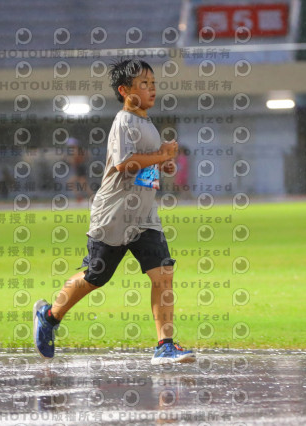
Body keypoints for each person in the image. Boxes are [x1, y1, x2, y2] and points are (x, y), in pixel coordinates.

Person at [34, 59, 195, 365]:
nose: (151, 89)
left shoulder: (147, 124)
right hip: (114, 214)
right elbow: (124, 164)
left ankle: (165, 345)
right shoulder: (124, 121)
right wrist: (161, 155)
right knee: (95, 276)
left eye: (153, 83)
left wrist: (164, 164)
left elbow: (145, 166)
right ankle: (49, 316)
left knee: (163, 274)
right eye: (143, 84)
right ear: (124, 91)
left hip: (144, 216)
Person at [65, 137, 93, 202]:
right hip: (79, 169)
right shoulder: (78, 150)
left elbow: (74, 161)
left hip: (80, 169)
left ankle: (90, 197)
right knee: (80, 184)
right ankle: (80, 196)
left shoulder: (76, 151)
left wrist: (69, 160)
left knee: (83, 185)